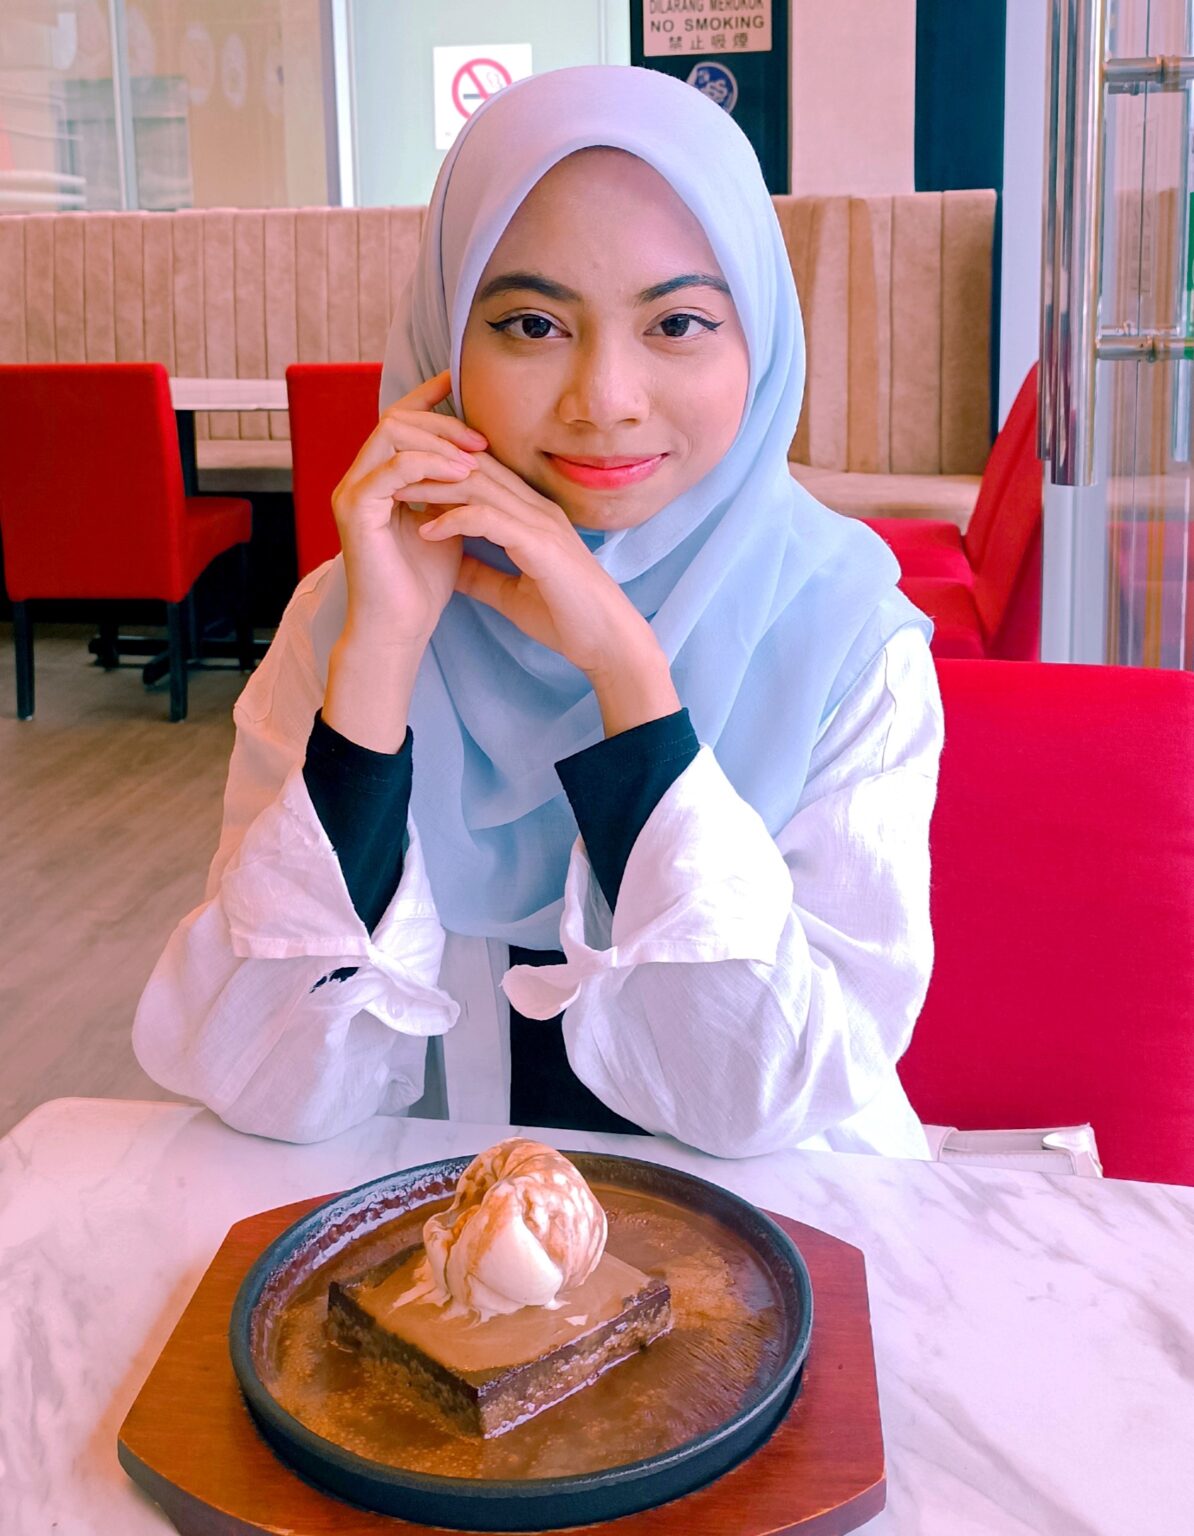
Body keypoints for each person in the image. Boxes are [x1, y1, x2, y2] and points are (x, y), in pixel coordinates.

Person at [133, 64, 943, 1157]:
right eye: (530, 322)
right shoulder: (347, 617)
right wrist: (379, 660)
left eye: (679, 322)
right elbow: (265, 1087)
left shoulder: (847, 640)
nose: (605, 399)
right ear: (445, 344)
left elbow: (765, 1106)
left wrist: (629, 680)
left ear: (760, 338)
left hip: (773, 1230)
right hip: (431, 1223)